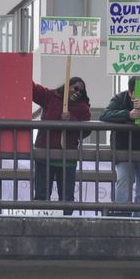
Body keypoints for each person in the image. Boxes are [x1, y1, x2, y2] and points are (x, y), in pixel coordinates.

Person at [100, 76, 140, 217]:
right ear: (129, 93)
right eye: (137, 95)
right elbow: (104, 115)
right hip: (124, 150)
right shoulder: (119, 98)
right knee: (124, 185)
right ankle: (120, 220)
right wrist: (127, 115)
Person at [32, 77, 92, 215]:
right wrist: (21, 63)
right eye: (75, 88)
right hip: (44, 156)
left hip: (67, 159)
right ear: (67, 86)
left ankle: (66, 228)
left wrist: (70, 119)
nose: (77, 92)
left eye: (81, 91)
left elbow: (86, 130)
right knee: (41, 196)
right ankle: (40, 226)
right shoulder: (50, 96)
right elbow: (33, 90)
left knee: (66, 199)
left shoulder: (83, 107)